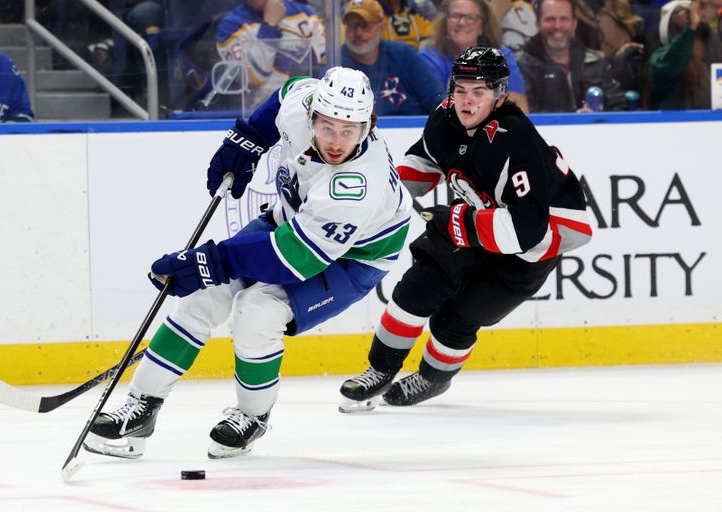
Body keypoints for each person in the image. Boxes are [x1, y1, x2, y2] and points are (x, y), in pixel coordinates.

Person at [83, 67, 413, 459]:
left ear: (368, 125)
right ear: (311, 115)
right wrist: (249, 139)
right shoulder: (300, 105)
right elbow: (289, 90)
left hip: (356, 257)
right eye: (327, 127)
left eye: (348, 130)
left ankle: (252, 416)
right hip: (293, 222)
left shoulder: (357, 185)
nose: (336, 141)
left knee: (257, 312)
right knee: (200, 300)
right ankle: (141, 406)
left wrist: (212, 260)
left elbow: (294, 259)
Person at [338, 47, 592, 412]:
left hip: (536, 243)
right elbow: (424, 161)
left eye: (479, 92)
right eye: (461, 89)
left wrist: (458, 224)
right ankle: (379, 369)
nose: (467, 101)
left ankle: (433, 377)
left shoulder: (516, 140)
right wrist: (382, 194)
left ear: (499, 95)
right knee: (416, 289)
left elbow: (527, 230)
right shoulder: (444, 117)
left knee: (457, 319)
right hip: (480, 216)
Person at [419, 0, 530, 111]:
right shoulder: (428, 58)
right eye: (456, 16)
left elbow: (518, 106)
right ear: (445, 22)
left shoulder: (501, 56)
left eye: (470, 18)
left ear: (482, 26)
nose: (462, 22)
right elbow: (438, 110)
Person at [516, 0, 625, 111]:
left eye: (564, 19)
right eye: (550, 19)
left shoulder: (597, 62)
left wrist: (595, 119)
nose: (557, 26)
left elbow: (619, 109)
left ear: (574, 24)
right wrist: (573, 121)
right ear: (538, 23)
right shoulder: (520, 67)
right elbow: (525, 116)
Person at [341, 0, 444, 115]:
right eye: (352, 25)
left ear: (382, 27)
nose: (358, 33)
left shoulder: (403, 54)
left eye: (365, 26)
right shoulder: (337, 63)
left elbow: (438, 101)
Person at [216, 0, 326, 105]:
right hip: (262, 110)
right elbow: (256, 77)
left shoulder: (307, 15)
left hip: (309, 105)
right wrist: (269, 25)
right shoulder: (229, 26)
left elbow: (327, 69)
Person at [649, 0, 722, 109]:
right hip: (677, 123)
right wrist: (691, 29)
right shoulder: (661, 59)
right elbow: (668, 64)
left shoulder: (715, 54)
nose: (689, 15)